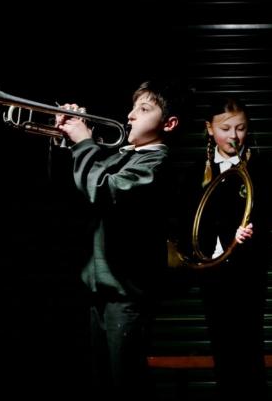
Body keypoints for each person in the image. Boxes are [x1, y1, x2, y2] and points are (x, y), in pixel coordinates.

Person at [55, 80, 183, 397]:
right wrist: (66, 142)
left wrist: (84, 142)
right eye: (132, 107)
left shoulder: (156, 164)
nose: (129, 116)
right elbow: (72, 192)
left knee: (124, 389)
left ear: (169, 123)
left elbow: (103, 190)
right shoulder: (120, 155)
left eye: (144, 109)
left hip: (125, 298)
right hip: (98, 291)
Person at [173, 96, 272, 400]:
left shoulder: (261, 167)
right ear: (209, 129)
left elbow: (270, 212)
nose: (234, 136)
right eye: (226, 128)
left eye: (241, 128)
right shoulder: (195, 171)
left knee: (250, 344)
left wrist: (252, 230)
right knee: (221, 344)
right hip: (212, 272)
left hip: (249, 270)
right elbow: (186, 218)